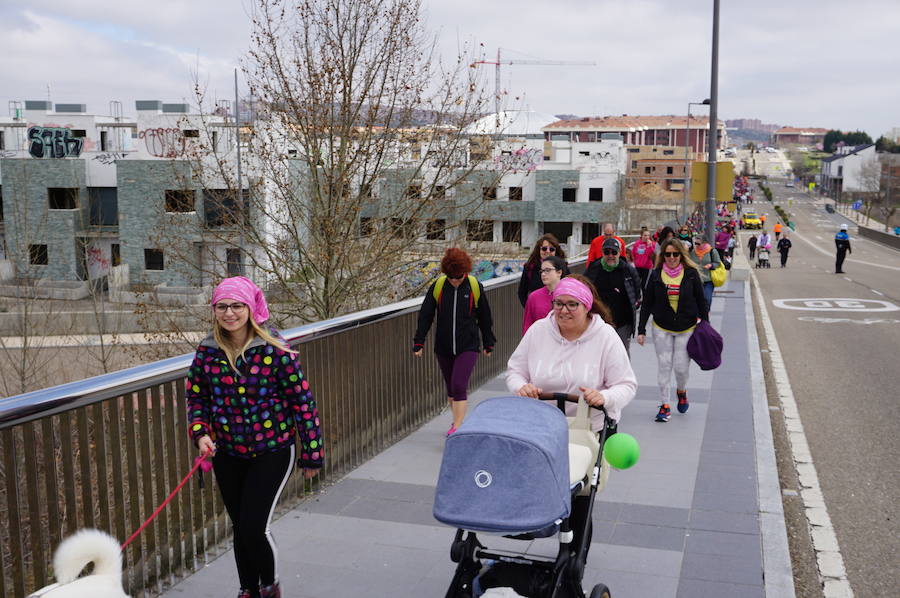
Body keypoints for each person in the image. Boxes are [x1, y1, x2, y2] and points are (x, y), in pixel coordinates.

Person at [186, 276, 323, 598]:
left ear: (250, 307)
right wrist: (200, 433)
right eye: (222, 306)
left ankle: (269, 588)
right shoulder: (207, 351)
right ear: (214, 309)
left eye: (236, 306)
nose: (229, 313)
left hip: (273, 449)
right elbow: (197, 398)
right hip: (227, 452)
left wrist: (312, 453)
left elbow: (302, 402)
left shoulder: (275, 348)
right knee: (240, 527)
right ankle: (247, 589)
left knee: (253, 526)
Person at [506, 277, 637, 433]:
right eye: (558, 303)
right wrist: (521, 387)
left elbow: (626, 385)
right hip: (541, 427)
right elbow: (515, 371)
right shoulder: (538, 330)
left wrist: (604, 397)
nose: (564, 310)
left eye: (572, 304)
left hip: (591, 429)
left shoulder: (605, 336)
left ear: (587, 306)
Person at [414, 248, 495, 435]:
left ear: (465, 272)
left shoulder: (474, 286)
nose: (455, 280)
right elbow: (425, 315)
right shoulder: (438, 286)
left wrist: (488, 341)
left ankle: (458, 427)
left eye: (458, 277)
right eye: (451, 277)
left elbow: (485, 316)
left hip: (468, 345)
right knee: (451, 389)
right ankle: (456, 421)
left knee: (459, 385)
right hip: (443, 346)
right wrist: (419, 342)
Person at [637, 239, 709, 423]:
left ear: (681, 255)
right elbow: (647, 303)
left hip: (687, 327)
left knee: (681, 368)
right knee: (664, 365)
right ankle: (664, 404)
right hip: (661, 326)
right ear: (662, 256)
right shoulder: (655, 275)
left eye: (675, 254)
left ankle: (682, 390)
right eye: (667, 254)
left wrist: (706, 325)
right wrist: (641, 328)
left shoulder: (691, 274)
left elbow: (701, 301)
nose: (671, 258)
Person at [585, 237, 642, 355]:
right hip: (599, 322)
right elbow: (584, 290)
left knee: (621, 354)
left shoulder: (628, 270)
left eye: (614, 252)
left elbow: (637, 293)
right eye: (607, 252)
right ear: (602, 252)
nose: (610, 255)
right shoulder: (593, 268)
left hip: (623, 322)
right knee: (599, 354)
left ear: (619, 253)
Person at [518, 234, 568, 307]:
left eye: (551, 249)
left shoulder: (563, 267)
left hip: (559, 311)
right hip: (538, 311)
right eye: (544, 248)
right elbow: (522, 292)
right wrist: (530, 308)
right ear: (539, 250)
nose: (547, 251)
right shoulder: (530, 267)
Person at [522, 255, 566, 334]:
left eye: (547, 270)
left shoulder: (569, 294)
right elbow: (527, 325)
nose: (543, 274)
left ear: (559, 272)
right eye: (542, 271)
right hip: (540, 341)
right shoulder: (534, 297)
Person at [689, 233, 721, 309]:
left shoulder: (712, 251)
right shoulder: (692, 252)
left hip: (708, 280)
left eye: (698, 243)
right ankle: (699, 315)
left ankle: (706, 313)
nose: (696, 245)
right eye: (695, 243)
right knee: (696, 300)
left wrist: (711, 265)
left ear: (704, 243)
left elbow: (717, 262)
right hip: (696, 280)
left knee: (707, 298)